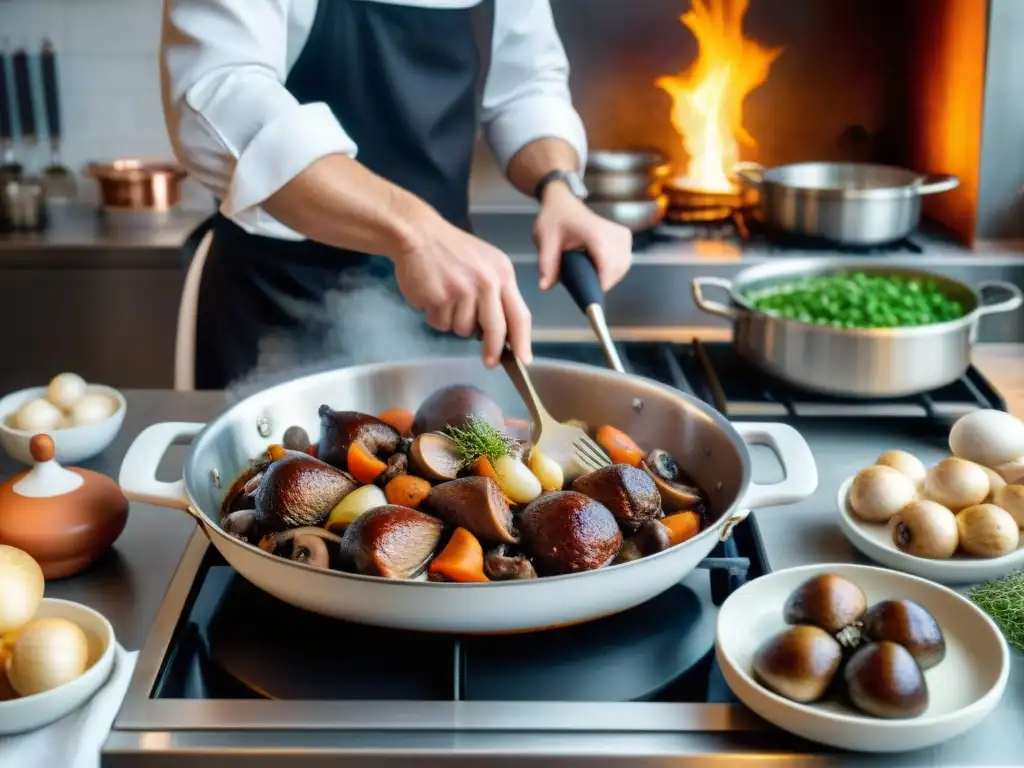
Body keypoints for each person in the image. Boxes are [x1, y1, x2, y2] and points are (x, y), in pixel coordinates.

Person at [161, 0, 632, 389]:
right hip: (274, 297)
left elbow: (526, 85)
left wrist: (559, 186)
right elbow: (219, 93)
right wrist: (415, 232)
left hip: (446, 292)